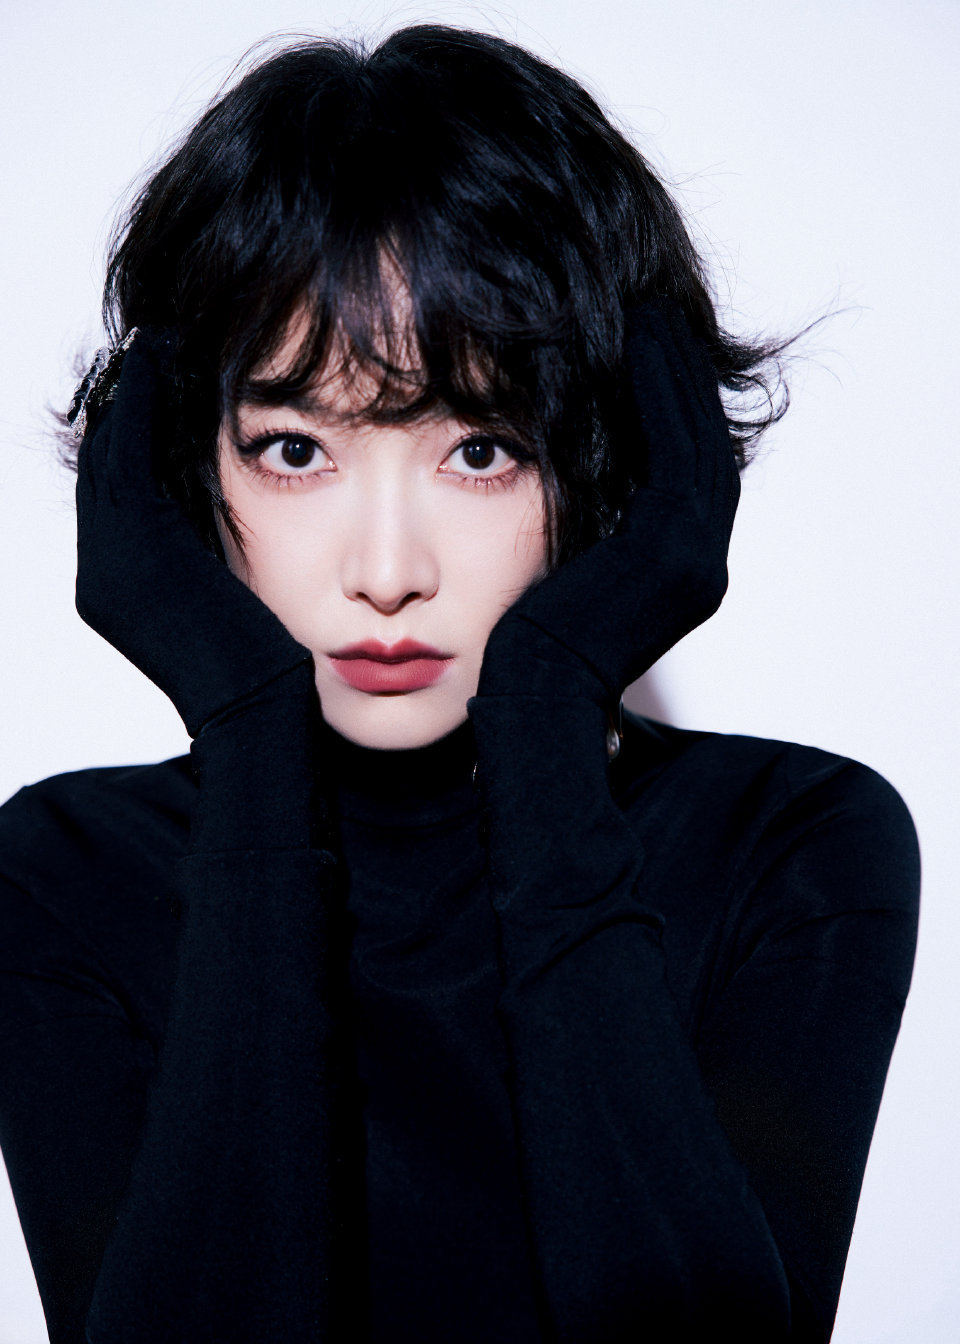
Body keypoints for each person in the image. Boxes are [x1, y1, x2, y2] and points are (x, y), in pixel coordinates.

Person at [0, 24, 919, 1344]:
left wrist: (545, 703)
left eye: (481, 448)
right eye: (295, 449)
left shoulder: (793, 848)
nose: (387, 572)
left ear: (616, 451)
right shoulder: (64, 875)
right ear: (174, 463)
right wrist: (250, 731)